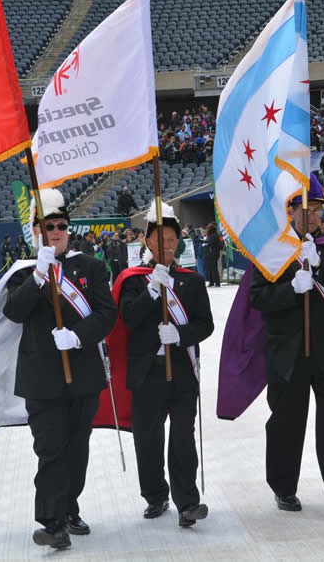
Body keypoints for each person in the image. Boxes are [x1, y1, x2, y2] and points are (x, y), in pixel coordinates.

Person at [2, 189, 117, 550]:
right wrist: (38, 277)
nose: (55, 231)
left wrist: (79, 337)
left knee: (77, 448)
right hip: (42, 379)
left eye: (61, 225)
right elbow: (14, 313)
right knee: (50, 449)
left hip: (82, 373)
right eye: (47, 225)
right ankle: (52, 523)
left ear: (69, 229)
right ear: (36, 231)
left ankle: (69, 508)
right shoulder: (23, 274)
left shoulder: (91, 267)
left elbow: (106, 314)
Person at [249, 174, 324, 525]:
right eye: (306, 209)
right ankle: (283, 486)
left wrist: (319, 265)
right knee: (286, 424)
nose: (313, 216)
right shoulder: (271, 251)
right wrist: (290, 291)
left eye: (317, 209)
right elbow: (257, 298)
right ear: (290, 212)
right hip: (287, 354)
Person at [116, 203, 215, 526]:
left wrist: (180, 334)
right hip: (147, 372)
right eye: (159, 240)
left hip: (183, 370)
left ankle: (187, 502)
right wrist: (151, 289)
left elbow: (205, 325)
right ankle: (155, 496)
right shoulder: (133, 281)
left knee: (182, 438)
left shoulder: (192, 280)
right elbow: (129, 317)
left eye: (171, 239)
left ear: (178, 242)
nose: (165, 245)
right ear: (147, 242)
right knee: (148, 438)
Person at [203, 222, 222, 287]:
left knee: (213, 269)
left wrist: (204, 241)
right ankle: (212, 282)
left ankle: (216, 282)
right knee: (211, 268)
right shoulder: (215, 235)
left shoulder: (213, 236)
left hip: (212, 254)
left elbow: (211, 243)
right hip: (213, 254)